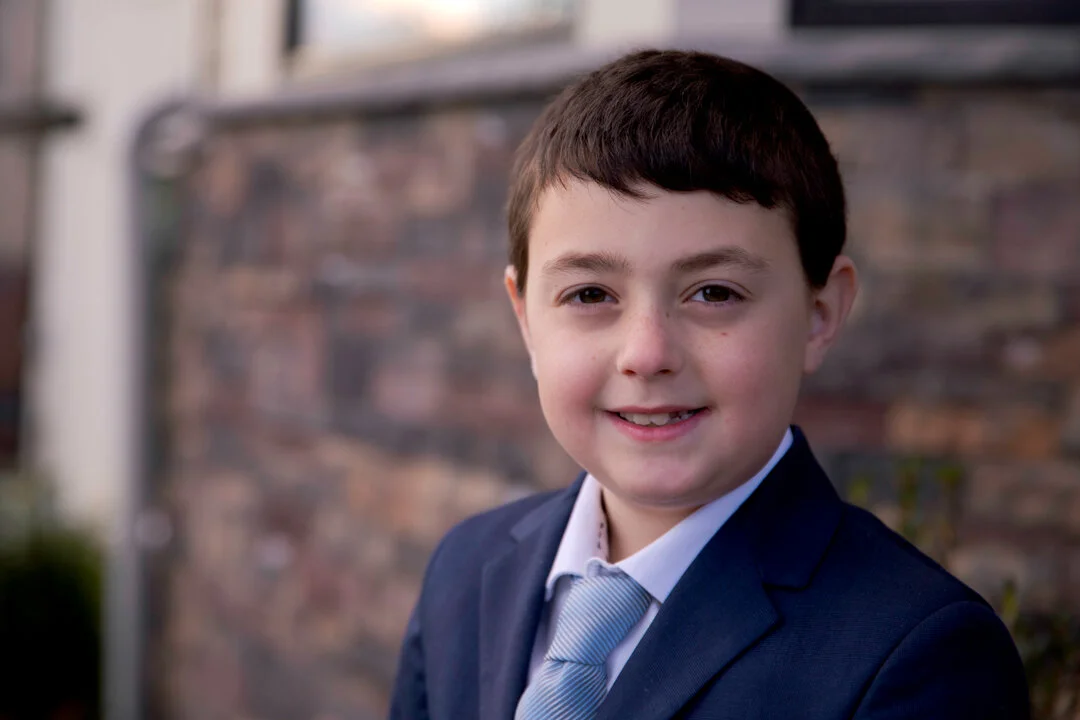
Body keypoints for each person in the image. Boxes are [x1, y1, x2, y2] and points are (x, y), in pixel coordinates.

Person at [389, 49, 1029, 719]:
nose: (646, 354)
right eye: (590, 294)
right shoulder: (465, 569)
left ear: (819, 314)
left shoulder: (918, 657)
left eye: (714, 292)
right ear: (526, 320)